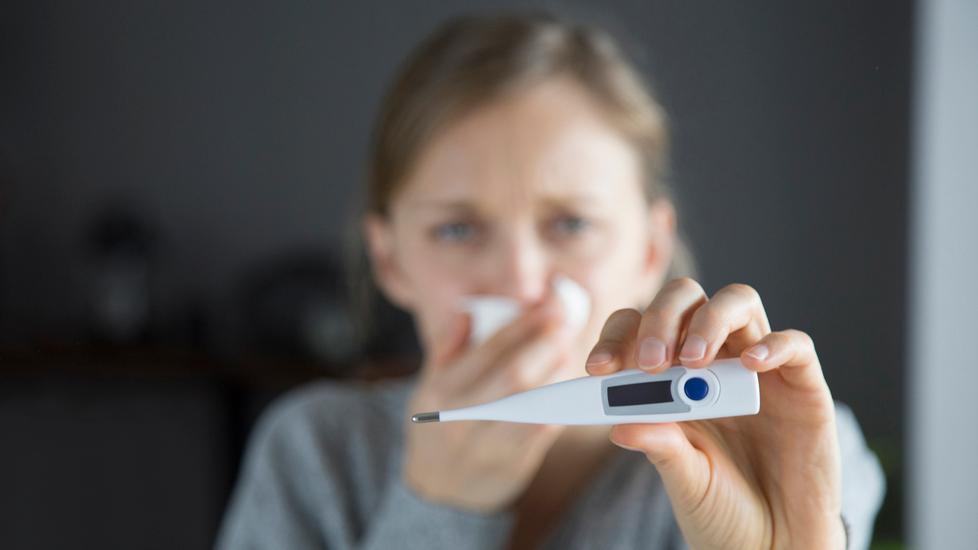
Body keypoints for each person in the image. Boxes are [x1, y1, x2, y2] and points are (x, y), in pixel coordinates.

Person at [216, 12, 885, 550]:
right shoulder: (316, 452)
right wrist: (436, 511)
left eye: (570, 224)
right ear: (390, 262)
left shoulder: (775, 439)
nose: (521, 282)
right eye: (458, 229)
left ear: (651, 250)